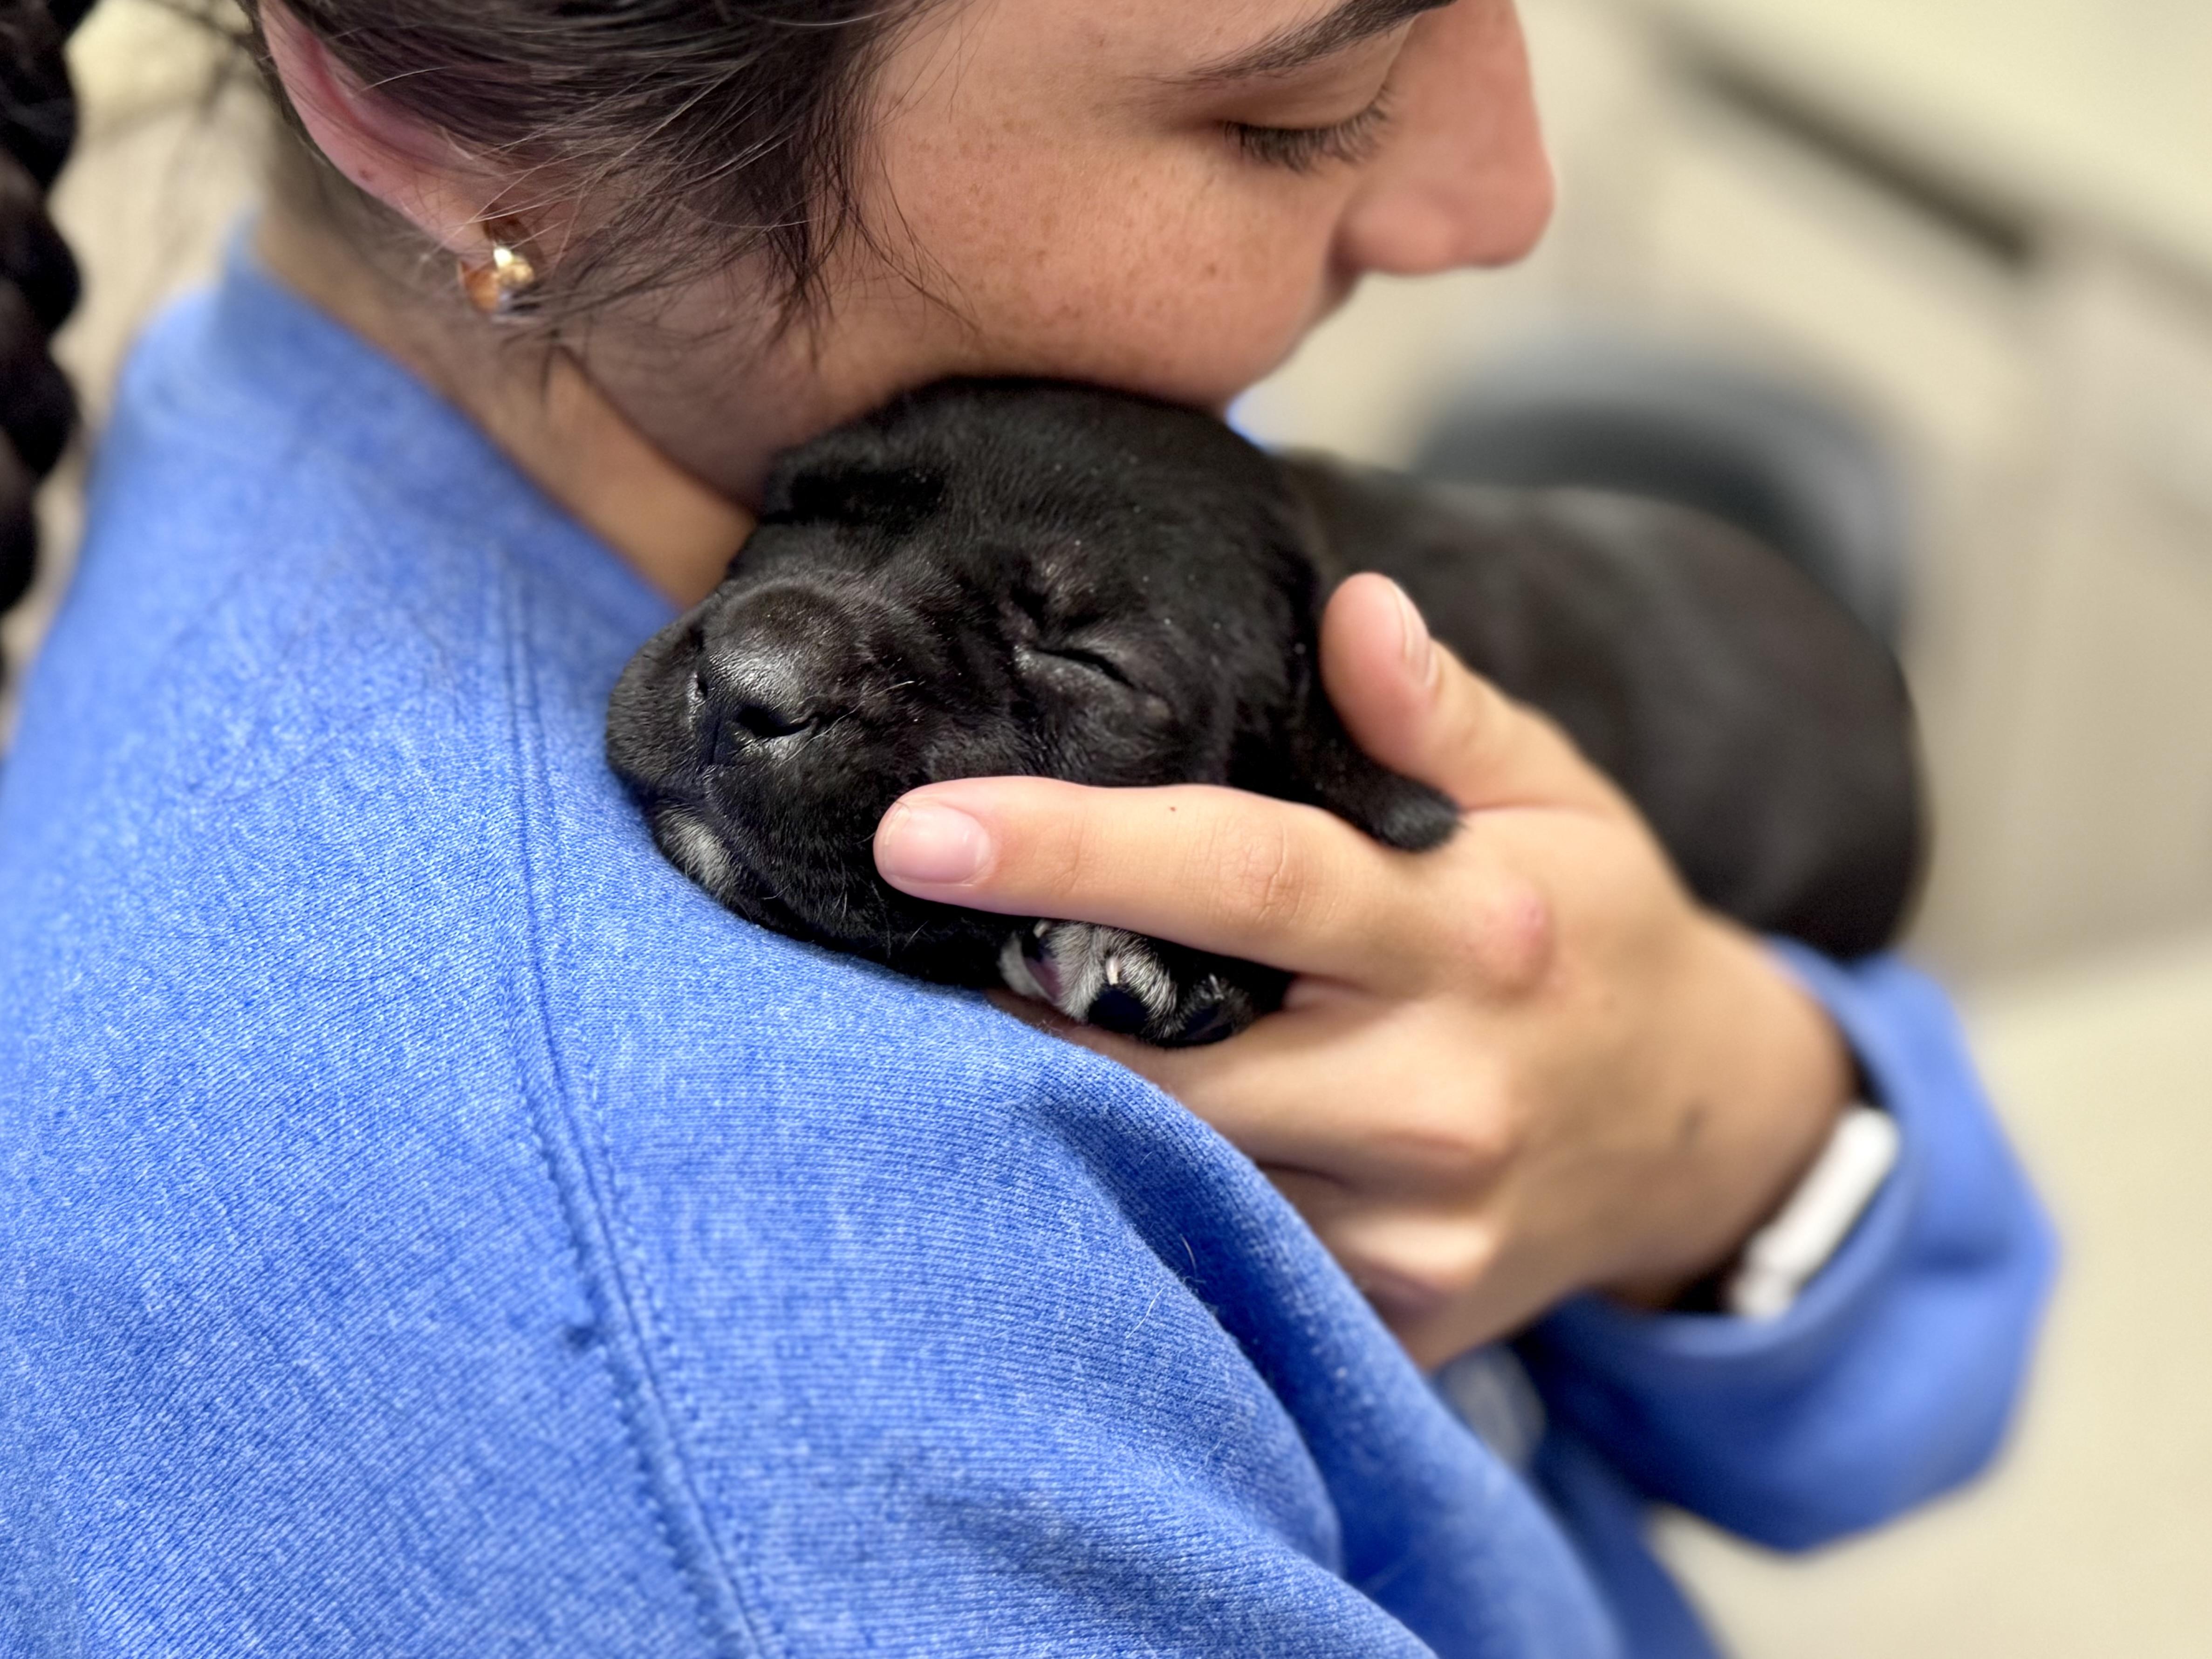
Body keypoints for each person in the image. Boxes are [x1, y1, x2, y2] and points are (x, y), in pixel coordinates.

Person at [0, 1, 2053, 1653]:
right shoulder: (776, 1404)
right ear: (452, 126)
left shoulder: (886, 398)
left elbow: (1918, 1381)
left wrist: (1721, 1122)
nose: (1502, 196)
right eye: (1300, 102)